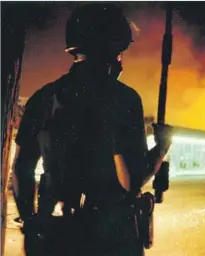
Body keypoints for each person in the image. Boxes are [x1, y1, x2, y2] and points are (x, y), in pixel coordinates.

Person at [12, 3, 172, 256]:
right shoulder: (124, 99)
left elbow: (21, 167)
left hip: (53, 235)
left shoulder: (43, 98)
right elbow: (130, 181)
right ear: (113, 47)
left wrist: (30, 221)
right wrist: (162, 146)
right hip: (110, 238)